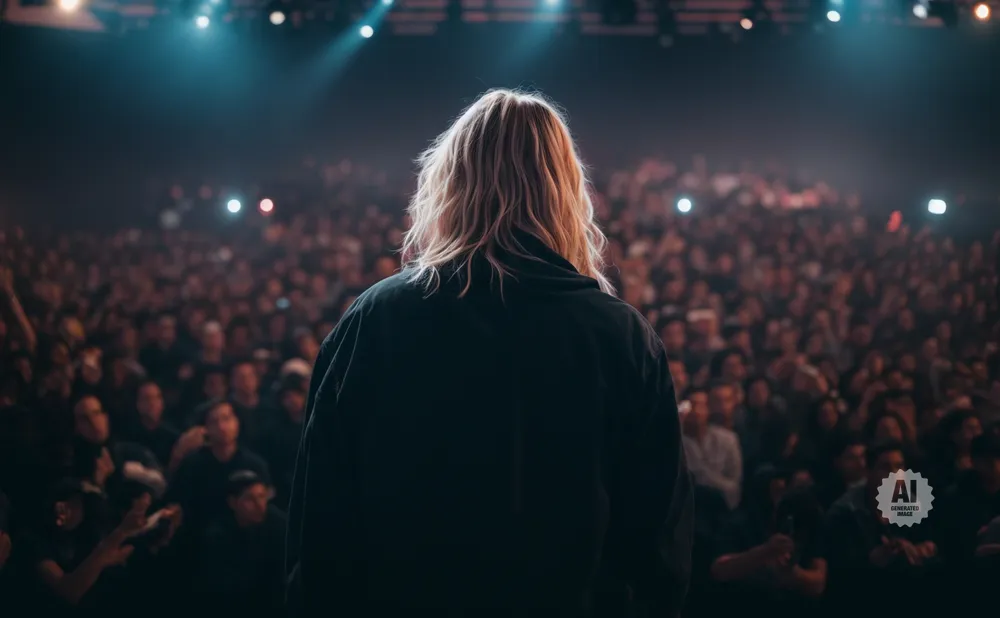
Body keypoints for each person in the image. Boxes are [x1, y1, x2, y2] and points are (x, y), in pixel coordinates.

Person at [287, 89, 694, 618]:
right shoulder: (621, 336)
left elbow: (321, 526)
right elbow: (659, 542)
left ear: (452, 182)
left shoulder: (376, 319)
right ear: (565, 189)